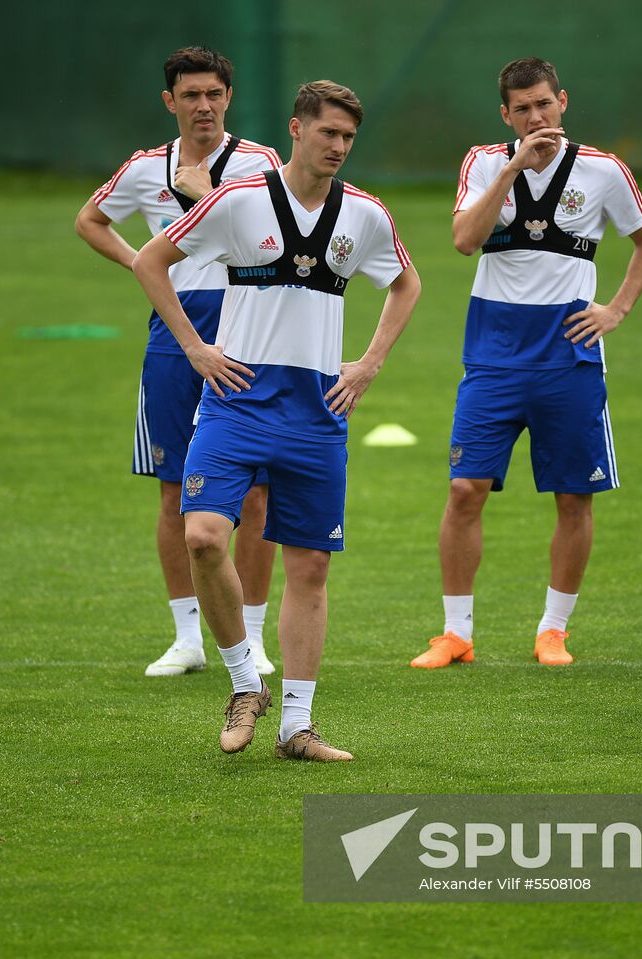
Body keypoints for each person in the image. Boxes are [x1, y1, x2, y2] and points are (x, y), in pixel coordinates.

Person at [133, 80, 420, 761]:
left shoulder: (365, 214)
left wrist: (369, 362)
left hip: (317, 410)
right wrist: (196, 348)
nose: (338, 147)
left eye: (348, 137)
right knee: (202, 535)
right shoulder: (238, 202)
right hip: (236, 402)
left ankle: (296, 725)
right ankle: (242, 684)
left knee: (310, 566)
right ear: (296, 129)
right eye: (328, 133)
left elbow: (406, 282)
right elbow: (151, 261)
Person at [410, 57, 642, 671]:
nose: (535, 116)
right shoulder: (483, 162)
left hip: (569, 356)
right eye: (522, 108)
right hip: (493, 358)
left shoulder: (603, 171)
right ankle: (455, 634)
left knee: (574, 496)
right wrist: (512, 170)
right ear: (506, 114)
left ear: (563, 102)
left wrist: (617, 309)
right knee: (464, 488)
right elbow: (465, 239)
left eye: (544, 104)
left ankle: (554, 630)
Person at [75, 47, 283, 678]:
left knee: (255, 494)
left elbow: (278, 240)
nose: (203, 106)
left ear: (229, 97)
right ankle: (188, 638)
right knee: (175, 494)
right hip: (175, 336)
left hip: (250, 336)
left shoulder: (259, 164)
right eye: (190, 95)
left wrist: (210, 196)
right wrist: (144, 259)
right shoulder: (145, 168)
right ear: (170, 102)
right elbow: (88, 220)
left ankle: (252, 636)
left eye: (213, 94)